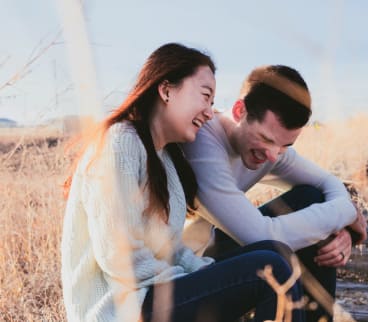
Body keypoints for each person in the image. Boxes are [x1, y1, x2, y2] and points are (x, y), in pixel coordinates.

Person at [61, 44, 305, 322]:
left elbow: (170, 248)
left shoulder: (165, 160)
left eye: (213, 103)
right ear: (166, 90)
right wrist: (192, 281)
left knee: (276, 251)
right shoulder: (120, 142)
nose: (210, 112)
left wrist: (204, 274)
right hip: (122, 309)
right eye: (205, 97)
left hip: (153, 296)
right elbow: (119, 257)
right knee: (269, 268)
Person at [182, 65, 367, 322]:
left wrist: (341, 230)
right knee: (279, 254)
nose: (273, 155)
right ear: (239, 111)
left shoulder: (272, 150)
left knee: (310, 198)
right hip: (181, 278)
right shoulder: (202, 142)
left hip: (210, 255)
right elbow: (261, 235)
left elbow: (328, 182)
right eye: (266, 139)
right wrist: (345, 213)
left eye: (285, 145)